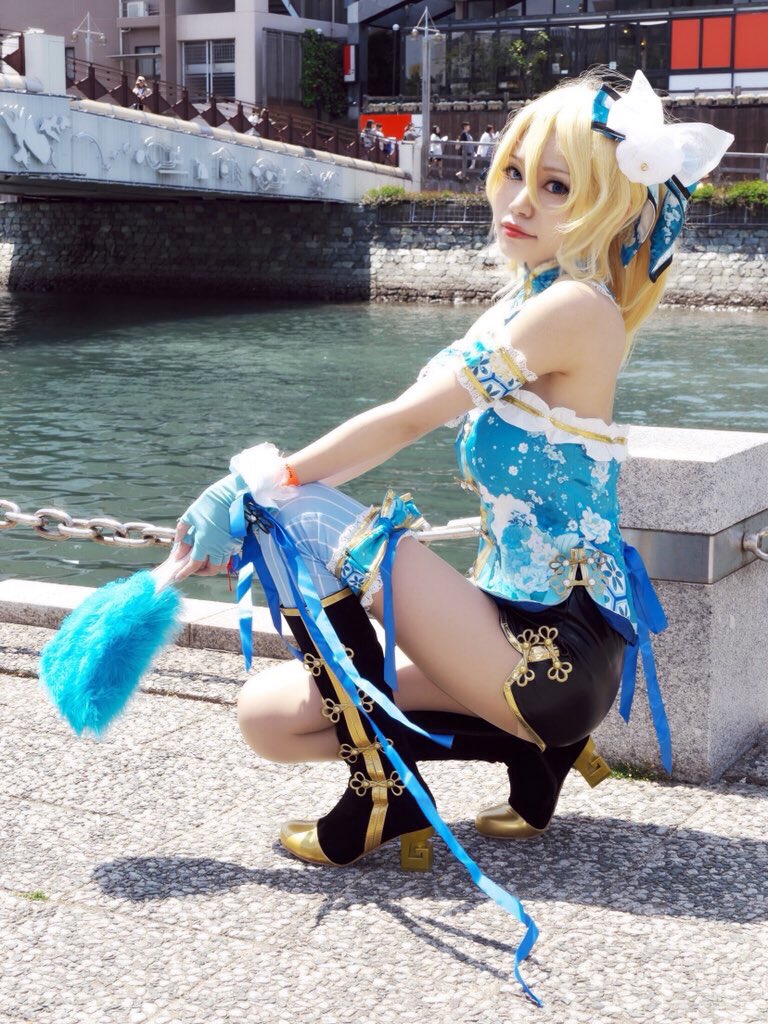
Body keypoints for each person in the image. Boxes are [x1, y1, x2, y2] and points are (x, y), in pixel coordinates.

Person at [156, 70, 732, 995]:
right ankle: (529, 762)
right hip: (503, 630)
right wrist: (258, 489)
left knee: (301, 511)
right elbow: (406, 408)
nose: (519, 200)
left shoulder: (576, 308)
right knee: (268, 716)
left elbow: (406, 420)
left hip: (555, 654)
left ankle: (384, 793)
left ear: (612, 207)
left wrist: (258, 483)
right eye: (514, 173)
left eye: (557, 186)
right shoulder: (525, 299)